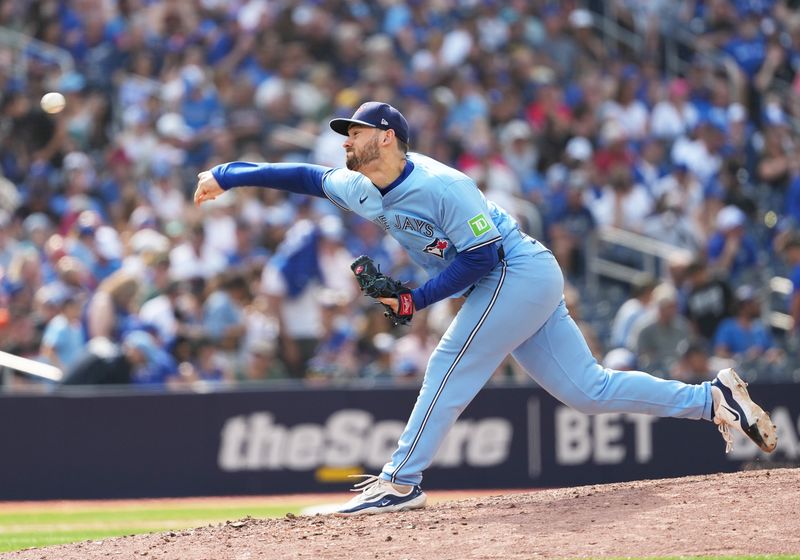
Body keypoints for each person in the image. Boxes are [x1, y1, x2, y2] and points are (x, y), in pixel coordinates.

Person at [194, 101, 777, 516]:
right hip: (507, 283)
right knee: (587, 391)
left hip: (514, 271)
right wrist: (227, 175)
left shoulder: (444, 185)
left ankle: (399, 481)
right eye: (345, 133)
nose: (346, 140)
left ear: (388, 137)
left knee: (448, 363)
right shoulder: (360, 185)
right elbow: (300, 175)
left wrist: (417, 299)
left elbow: (484, 255)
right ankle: (711, 400)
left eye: (356, 131)